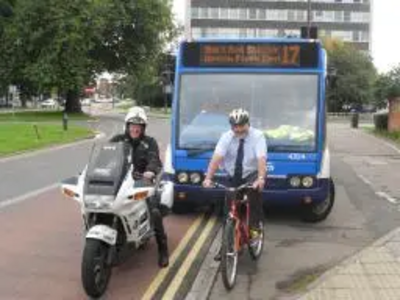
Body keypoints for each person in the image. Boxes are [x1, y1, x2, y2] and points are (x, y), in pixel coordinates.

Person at [202, 108, 267, 261]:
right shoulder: (226, 137)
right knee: (229, 211)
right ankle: (226, 245)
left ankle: (254, 229)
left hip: (252, 174)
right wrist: (208, 177)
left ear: (247, 123)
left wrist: (261, 178)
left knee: (254, 193)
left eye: (241, 125)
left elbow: (261, 159)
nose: (238, 129)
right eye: (234, 126)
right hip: (233, 175)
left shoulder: (258, 136)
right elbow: (217, 158)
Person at [110, 106, 169, 268]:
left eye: (139, 126)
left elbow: (154, 160)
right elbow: (105, 156)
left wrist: (150, 171)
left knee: (154, 211)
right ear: (127, 125)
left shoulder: (149, 142)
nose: (135, 128)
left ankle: (163, 250)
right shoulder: (117, 140)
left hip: (141, 181)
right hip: (120, 180)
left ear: (143, 128)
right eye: (132, 125)